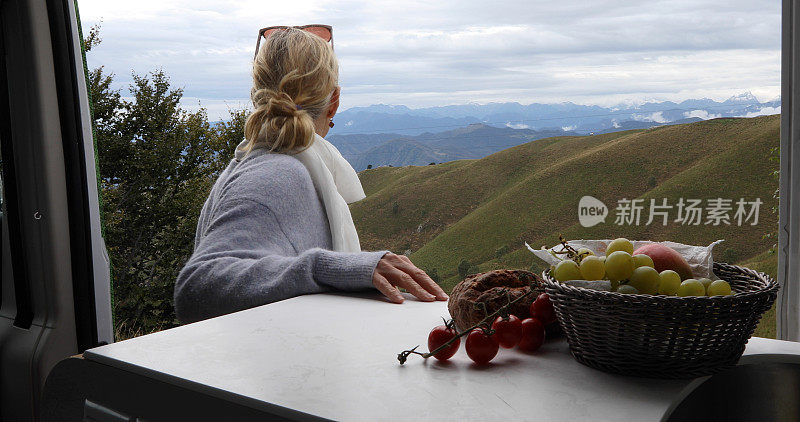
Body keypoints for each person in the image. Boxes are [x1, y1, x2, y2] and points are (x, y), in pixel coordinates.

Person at [174, 27, 447, 324]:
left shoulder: (263, 162)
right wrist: (333, 268)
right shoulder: (277, 172)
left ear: (256, 95)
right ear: (334, 102)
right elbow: (197, 288)